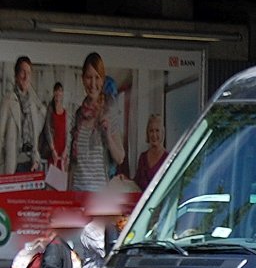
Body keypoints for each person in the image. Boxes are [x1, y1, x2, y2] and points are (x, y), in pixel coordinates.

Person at [69, 52, 125, 191]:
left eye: (97, 77)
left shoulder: (109, 112)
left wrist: (108, 136)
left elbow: (120, 158)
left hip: (99, 196)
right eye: (88, 77)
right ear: (82, 79)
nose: (93, 83)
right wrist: (68, 194)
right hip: (77, 192)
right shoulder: (78, 115)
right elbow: (73, 163)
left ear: (103, 80)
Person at [0, 56, 45, 175]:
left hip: (31, 164)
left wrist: (36, 158)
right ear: (16, 75)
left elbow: (43, 113)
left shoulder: (32, 104)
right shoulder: (8, 100)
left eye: (29, 73)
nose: (26, 77)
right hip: (13, 164)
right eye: (23, 72)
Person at [41, 81, 71, 172]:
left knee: (62, 178)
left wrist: (66, 149)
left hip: (63, 150)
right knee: (52, 177)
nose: (58, 93)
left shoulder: (65, 112)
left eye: (60, 91)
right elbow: (47, 130)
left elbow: (67, 132)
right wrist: (53, 149)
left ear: (62, 93)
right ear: (54, 93)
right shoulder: (50, 110)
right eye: (56, 90)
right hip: (53, 149)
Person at [134, 113, 168, 190]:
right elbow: (136, 183)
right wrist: (124, 180)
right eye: (151, 131)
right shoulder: (142, 158)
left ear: (162, 133)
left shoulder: (168, 159)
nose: (154, 135)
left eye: (157, 130)